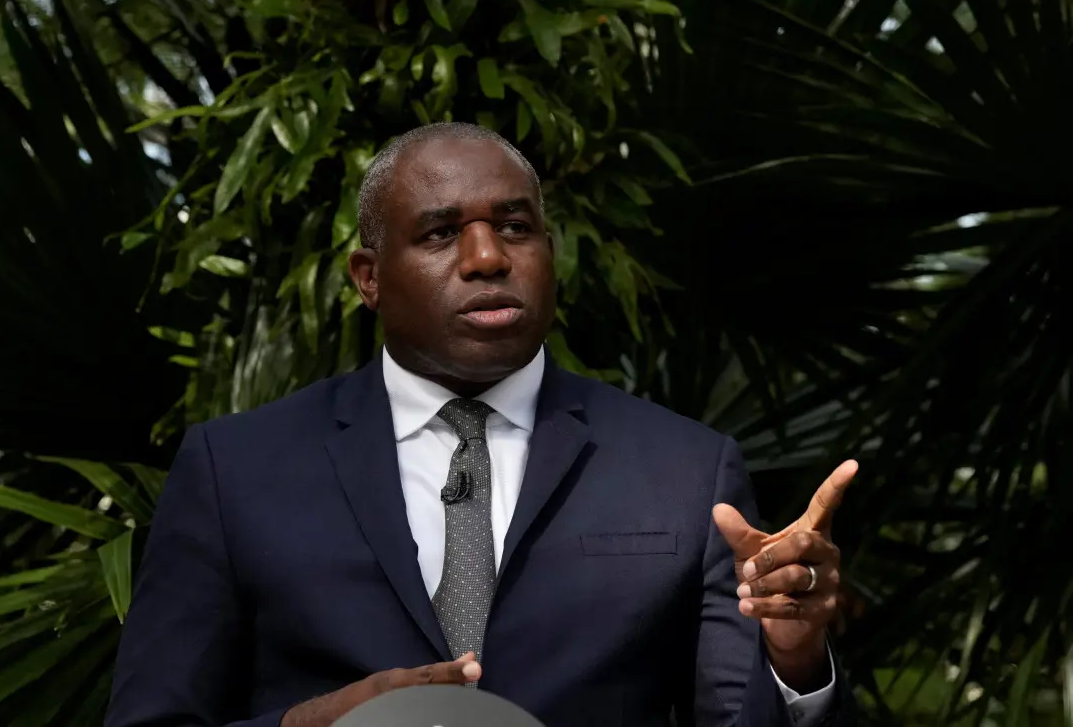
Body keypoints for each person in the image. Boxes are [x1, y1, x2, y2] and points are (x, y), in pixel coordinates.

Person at [105, 123, 858, 727]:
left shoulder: (685, 470)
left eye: (515, 227)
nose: (487, 257)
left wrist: (793, 661)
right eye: (440, 234)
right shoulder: (235, 469)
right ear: (368, 278)